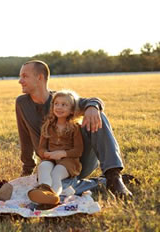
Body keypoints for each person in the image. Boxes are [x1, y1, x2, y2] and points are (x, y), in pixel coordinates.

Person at [16, 60, 132, 199]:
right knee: (59, 188)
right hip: (51, 163)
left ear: (39, 77)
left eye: (24, 76)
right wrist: (27, 171)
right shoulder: (22, 103)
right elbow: (25, 137)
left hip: (77, 159)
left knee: (97, 115)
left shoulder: (61, 100)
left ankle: (113, 176)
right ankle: (100, 182)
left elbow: (93, 100)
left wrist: (93, 107)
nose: (20, 81)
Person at [27, 90, 83, 206]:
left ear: (72, 110)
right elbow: (40, 148)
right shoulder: (47, 126)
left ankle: (54, 196)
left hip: (68, 161)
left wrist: (62, 153)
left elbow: (78, 150)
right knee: (43, 167)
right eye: (56, 104)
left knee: (56, 174)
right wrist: (45, 154)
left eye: (64, 105)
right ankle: (43, 191)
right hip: (51, 158)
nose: (59, 107)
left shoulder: (75, 127)